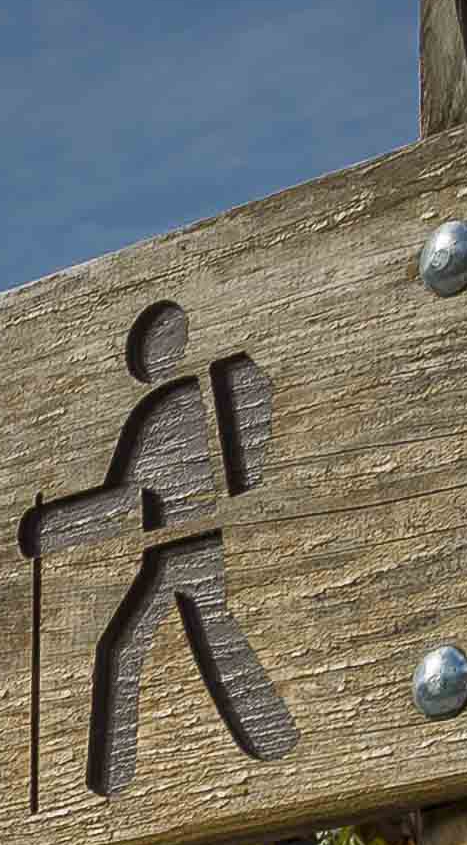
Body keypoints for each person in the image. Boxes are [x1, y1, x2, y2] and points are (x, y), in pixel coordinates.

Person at [20, 299, 300, 792]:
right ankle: (271, 739)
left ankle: (114, 784)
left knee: (130, 648)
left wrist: (49, 529)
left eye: (145, 345)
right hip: (180, 549)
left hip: (182, 548)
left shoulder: (167, 410)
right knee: (184, 638)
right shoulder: (193, 398)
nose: (138, 357)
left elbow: (121, 502)